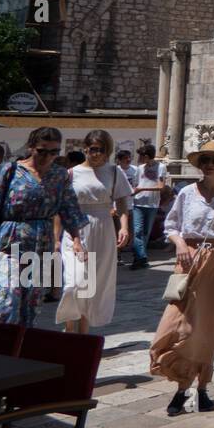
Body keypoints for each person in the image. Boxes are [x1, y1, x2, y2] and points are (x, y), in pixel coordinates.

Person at [150, 141, 214, 416]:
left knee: (207, 325)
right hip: (188, 259)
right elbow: (171, 225)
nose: (209, 165)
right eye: (205, 160)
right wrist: (180, 244)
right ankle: (181, 382)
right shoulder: (186, 193)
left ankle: (199, 387)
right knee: (176, 321)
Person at [0, 127, 87, 326]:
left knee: (30, 302)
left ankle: (18, 350)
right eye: (42, 150)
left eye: (53, 152)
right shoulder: (10, 170)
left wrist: (77, 240)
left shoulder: (59, 175)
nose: (47, 156)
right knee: (7, 297)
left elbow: (68, 207)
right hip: (10, 240)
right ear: (31, 147)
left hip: (41, 242)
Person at [58, 130, 133, 334]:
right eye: (93, 149)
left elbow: (122, 202)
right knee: (75, 281)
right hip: (75, 227)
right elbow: (62, 206)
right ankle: (69, 326)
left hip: (103, 227)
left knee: (93, 283)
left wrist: (124, 227)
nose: (97, 154)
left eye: (102, 150)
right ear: (85, 149)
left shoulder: (115, 172)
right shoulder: (71, 173)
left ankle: (83, 329)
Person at [128, 144, 166, 270]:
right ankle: (141, 257)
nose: (140, 158)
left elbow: (161, 186)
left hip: (152, 203)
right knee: (137, 230)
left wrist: (142, 188)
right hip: (138, 202)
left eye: (142, 156)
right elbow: (136, 184)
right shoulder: (140, 168)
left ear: (148, 156)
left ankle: (139, 259)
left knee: (145, 232)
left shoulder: (160, 167)